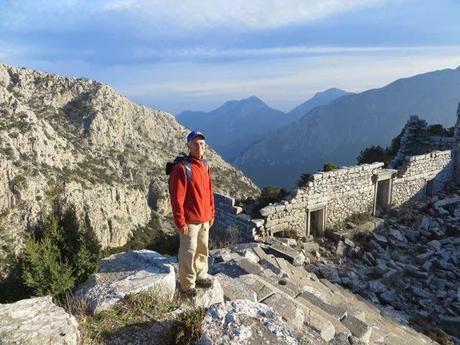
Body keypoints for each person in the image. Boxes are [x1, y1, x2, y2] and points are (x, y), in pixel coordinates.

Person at [169, 130, 215, 297]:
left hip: (205, 218)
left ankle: (201, 275)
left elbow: (209, 192)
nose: (199, 147)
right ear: (188, 146)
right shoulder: (182, 169)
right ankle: (187, 284)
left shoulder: (205, 165)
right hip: (190, 221)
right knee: (188, 252)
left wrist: (212, 213)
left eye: (202, 144)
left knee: (202, 249)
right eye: (195, 144)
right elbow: (176, 199)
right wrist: (180, 221)